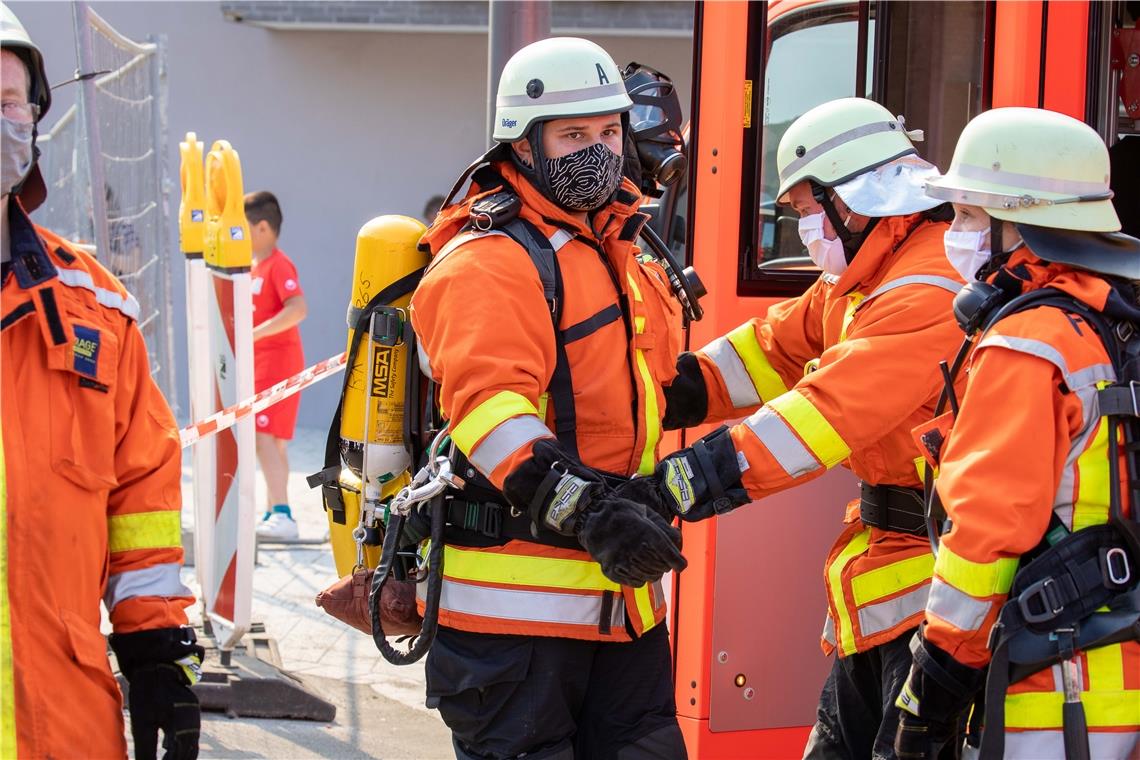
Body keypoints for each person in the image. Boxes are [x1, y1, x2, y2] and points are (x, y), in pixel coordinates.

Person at [626, 97, 969, 759]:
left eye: (812, 209)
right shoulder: (863, 278)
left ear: (858, 198)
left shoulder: (930, 287)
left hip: (941, 581)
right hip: (896, 572)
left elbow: (821, 415)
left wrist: (672, 487)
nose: (808, 227)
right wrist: (657, 393)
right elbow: (769, 350)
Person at [409, 37, 689, 760]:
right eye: (572, 136)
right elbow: (490, 412)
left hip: (620, 608)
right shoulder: (489, 260)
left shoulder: (613, 246)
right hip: (513, 630)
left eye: (608, 132)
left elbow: (646, 387)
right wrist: (593, 511)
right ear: (523, 145)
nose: (598, 152)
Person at [891, 108, 1140, 759]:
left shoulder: (1028, 344)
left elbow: (984, 537)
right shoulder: (1116, 325)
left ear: (1023, 225)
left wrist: (933, 690)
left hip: (1053, 698)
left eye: (971, 217)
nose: (957, 233)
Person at [0, 7, 202, 759]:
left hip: (64, 721)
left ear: (36, 119)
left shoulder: (95, 307)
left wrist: (157, 658)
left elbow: (140, 499)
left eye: (7, 102)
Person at [245, 190, 308, 541]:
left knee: (264, 437)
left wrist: (253, 335)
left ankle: (282, 513)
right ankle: (275, 512)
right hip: (262, 363)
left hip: (277, 361)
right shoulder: (257, 265)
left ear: (264, 227)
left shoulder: (279, 264)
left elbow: (297, 308)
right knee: (271, 441)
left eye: (243, 229)